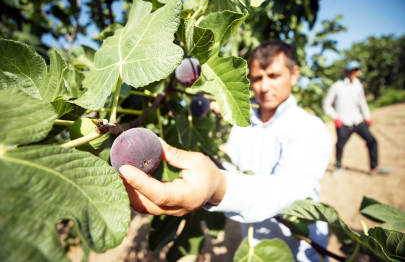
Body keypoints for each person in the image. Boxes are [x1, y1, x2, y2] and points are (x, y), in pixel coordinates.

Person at [119, 40, 332, 262]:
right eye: (258, 78)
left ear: (294, 74)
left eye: (274, 76)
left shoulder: (309, 127)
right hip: (251, 240)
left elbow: (290, 188)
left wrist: (219, 186)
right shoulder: (242, 125)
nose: (264, 86)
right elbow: (232, 168)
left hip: (301, 251)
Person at [323, 61, 385, 175]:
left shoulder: (358, 85)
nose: (355, 73)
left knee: (372, 141)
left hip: (357, 120)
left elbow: (362, 102)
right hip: (343, 122)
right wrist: (335, 117)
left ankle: (374, 167)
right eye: (352, 71)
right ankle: (338, 166)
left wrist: (367, 117)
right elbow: (326, 104)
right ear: (347, 72)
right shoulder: (337, 86)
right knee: (340, 145)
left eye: (356, 71)